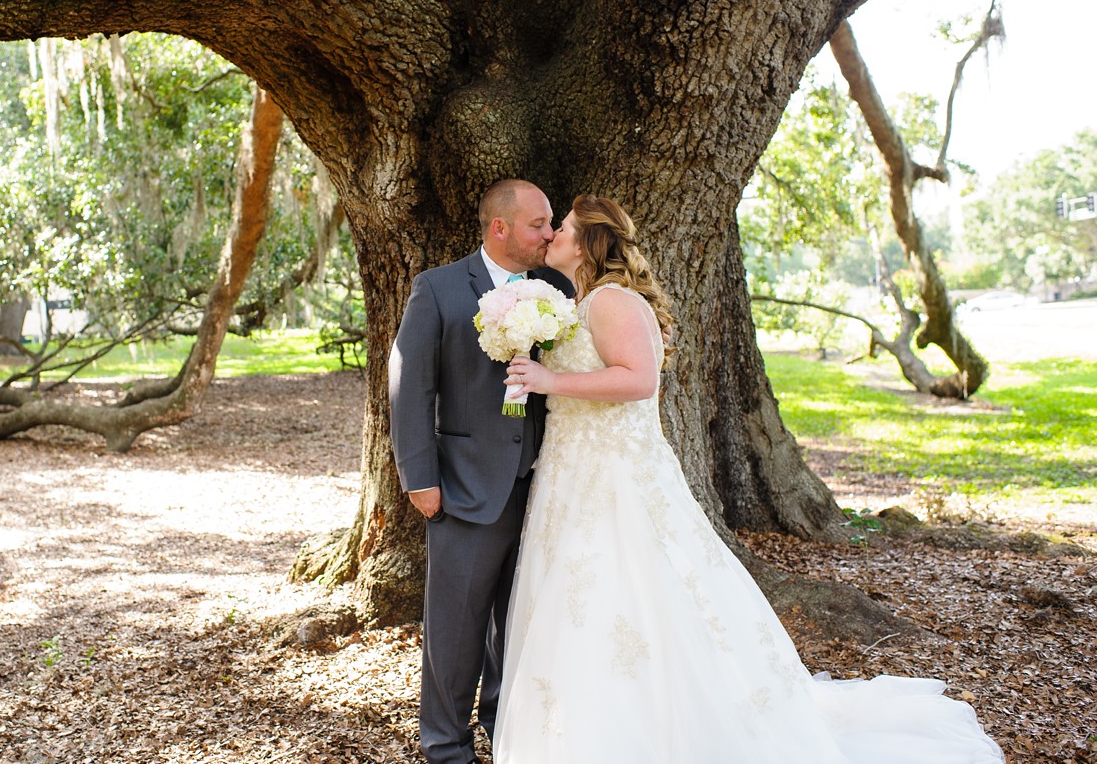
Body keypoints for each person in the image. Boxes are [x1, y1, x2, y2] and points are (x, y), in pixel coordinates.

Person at [493, 194, 1005, 763]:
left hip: (613, 478)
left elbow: (638, 382)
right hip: (573, 474)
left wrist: (549, 380)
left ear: (589, 241)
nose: (552, 236)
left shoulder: (611, 301)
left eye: (561, 227)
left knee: (626, 591)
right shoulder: (581, 302)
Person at [388, 179, 573, 764]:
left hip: (544, 486)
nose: (549, 234)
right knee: (454, 630)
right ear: (500, 228)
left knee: (517, 626)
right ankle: (445, 746)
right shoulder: (439, 289)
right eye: (538, 224)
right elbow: (408, 387)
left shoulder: (558, 291)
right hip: (465, 486)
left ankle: (507, 733)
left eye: (551, 225)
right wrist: (419, 478)